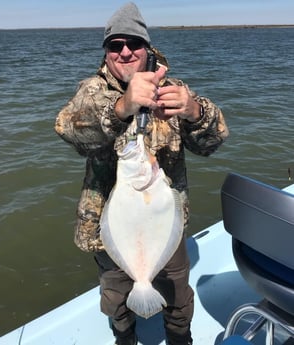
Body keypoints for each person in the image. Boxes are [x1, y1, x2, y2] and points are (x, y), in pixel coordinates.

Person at [55, 2, 229, 345]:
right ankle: (125, 338)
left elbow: (213, 141)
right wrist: (122, 108)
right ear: (106, 53)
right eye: (114, 45)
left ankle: (181, 339)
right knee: (117, 298)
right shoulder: (93, 90)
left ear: (146, 47)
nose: (124, 52)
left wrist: (194, 111)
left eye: (133, 43)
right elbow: (68, 127)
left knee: (178, 296)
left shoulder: (173, 89)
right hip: (112, 229)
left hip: (164, 222)